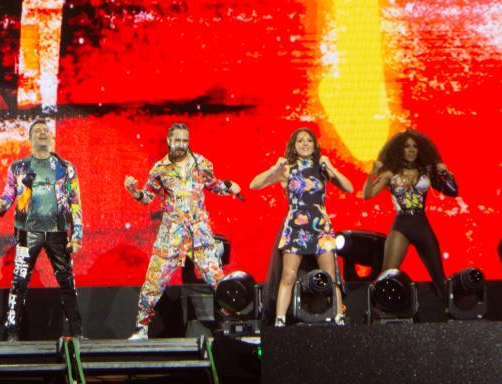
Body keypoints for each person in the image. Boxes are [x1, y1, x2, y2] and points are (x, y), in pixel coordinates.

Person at [123, 123, 242, 341]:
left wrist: (229, 187)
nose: (181, 145)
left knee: (217, 278)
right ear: (168, 141)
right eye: (177, 140)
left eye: (185, 141)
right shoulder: (160, 169)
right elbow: (147, 197)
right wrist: (134, 192)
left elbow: (213, 185)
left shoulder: (202, 163)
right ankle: (141, 328)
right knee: (154, 281)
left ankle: (233, 326)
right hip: (172, 234)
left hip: (199, 232)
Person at [250, 127, 353, 327]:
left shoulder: (322, 168)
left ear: (314, 145)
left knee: (330, 276)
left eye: (309, 140)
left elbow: (349, 188)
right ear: (294, 146)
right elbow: (254, 185)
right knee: (288, 275)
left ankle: (338, 317)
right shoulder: (287, 169)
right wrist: (274, 169)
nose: (305, 144)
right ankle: (280, 320)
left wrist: (332, 167)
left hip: (321, 227)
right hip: (296, 227)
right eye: (300, 141)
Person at [0, 119, 83, 341]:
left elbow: (75, 202)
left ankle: (77, 332)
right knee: (19, 281)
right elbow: (9, 194)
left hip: (57, 231)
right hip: (27, 231)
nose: (42, 133)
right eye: (37, 131)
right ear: (30, 138)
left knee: (67, 281)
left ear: (51, 137)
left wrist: (77, 235)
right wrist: (2, 204)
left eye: (45, 130)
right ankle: (12, 334)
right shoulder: (18, 167)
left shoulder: (66, 168)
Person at [361, 129, 457, 302]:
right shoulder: (390, 173)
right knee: (386, 275)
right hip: (402, 225)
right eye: (407, 146)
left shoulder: (427, 172)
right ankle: (375, 311)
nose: (412, 150)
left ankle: (450, 311)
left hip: (421, 224)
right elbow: (367, 195)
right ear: (400, 150)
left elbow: (453, 191)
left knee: (439, 277)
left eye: (415, 146)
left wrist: (444, 173)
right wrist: (373, 174)